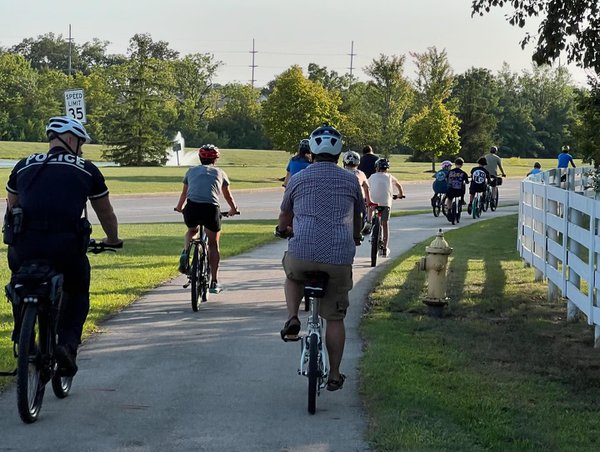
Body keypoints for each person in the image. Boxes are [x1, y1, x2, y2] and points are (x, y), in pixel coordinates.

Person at [5, 116, 122, 377]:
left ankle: (22, 334)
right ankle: (67, 344)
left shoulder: (23, 165)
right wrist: (112, 239)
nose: (81, 150)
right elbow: (105, 212)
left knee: (19, 281)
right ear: (70, 139)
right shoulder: (86, 168)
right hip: (65, 246)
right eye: (80, 144)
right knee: (77, 288)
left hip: (24, 245)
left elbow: (12, 205)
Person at [276, 124, 365, 392]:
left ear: (312, 151)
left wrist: (283, 230)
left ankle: (293, 317)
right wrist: (356, 236)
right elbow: (359, 216)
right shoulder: (351, 180)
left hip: (303, 251)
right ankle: (335, 374)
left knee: (292, 273)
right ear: (339, 152)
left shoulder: (298, 178)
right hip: (338, 256)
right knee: (335, 319)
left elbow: (284, 216)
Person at [174, 144, 238, 294]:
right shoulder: (220, 173)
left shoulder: (190, 171)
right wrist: (234, 209)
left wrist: (179, 207)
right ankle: (214, 281)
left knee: (191, 230)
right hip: (210, 209)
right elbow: (227, 194)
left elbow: (184, 194)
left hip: (192, 208)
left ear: (200, 158)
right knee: (213, 245)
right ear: (215, 159)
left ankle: (185, 253)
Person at [367, 158, 405, 257]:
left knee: (370, 206)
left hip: (374, 202)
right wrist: (400, 195)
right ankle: (384, 248)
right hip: (385, 203)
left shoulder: (372, 176)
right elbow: (399, 186)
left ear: (376, 167)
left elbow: (367, 186)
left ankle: (369, 222)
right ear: (387, 168)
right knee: (385, 224)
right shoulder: (390, 177)